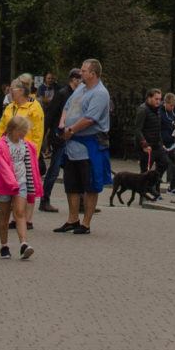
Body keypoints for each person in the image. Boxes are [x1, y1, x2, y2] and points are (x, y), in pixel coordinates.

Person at [55, 57, 111, 235]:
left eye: (84, 71)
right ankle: (72, 219)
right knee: (71, 184)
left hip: (89, 145)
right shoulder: (80, 87)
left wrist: (70, 130)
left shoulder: (100, 93)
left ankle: (85, 223)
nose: (80, 73)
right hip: (72, 143)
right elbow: (67, 106)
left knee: (90, 185)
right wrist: (63, 125)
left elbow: (89, 119)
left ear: (93, 74)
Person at [0, 112, 41, 258]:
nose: (24, 134)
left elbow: (32, 165)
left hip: (21, 182)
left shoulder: (26, 145)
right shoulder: (1, 145)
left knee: (20, 212)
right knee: (4, 215)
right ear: (12, 130)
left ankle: (24, 244)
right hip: (5, 184)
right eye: (22, 131)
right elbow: (1, 165)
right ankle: (4, 245)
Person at [0, 78, 45, 222]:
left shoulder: (34, 107)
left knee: (28, 185)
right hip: (8, 153)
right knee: (12, 185)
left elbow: (38, 133)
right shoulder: (9, 107)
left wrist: (34, 155)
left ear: (22, 91)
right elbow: (1, 130)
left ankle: (27, 219)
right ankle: (16, 217)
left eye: (12, 89)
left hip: (26, 153)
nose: (9, 92)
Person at [37, 68, 81, 213]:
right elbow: (50, 115)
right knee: (54, 170)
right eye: (80, 79)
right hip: (59, 137)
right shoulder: (62, 94)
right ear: (74, 80)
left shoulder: (78, 95)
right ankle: (44, 200)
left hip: (72, 136)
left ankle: (80, 202)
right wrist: (45, 136)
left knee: (77, 169)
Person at [136, 87, 164, 175]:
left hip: (156, 144)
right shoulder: (143, 110)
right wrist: (144, 144)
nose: (158, 101)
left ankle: (155, 183)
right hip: (147, 145)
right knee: (145, 170)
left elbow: (157, 128)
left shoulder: (158, 110)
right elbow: (138, 129)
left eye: (160, 99)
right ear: (149, 98)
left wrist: (161, 143)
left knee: (165, 162)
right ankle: (144, 187)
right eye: (156, 99)